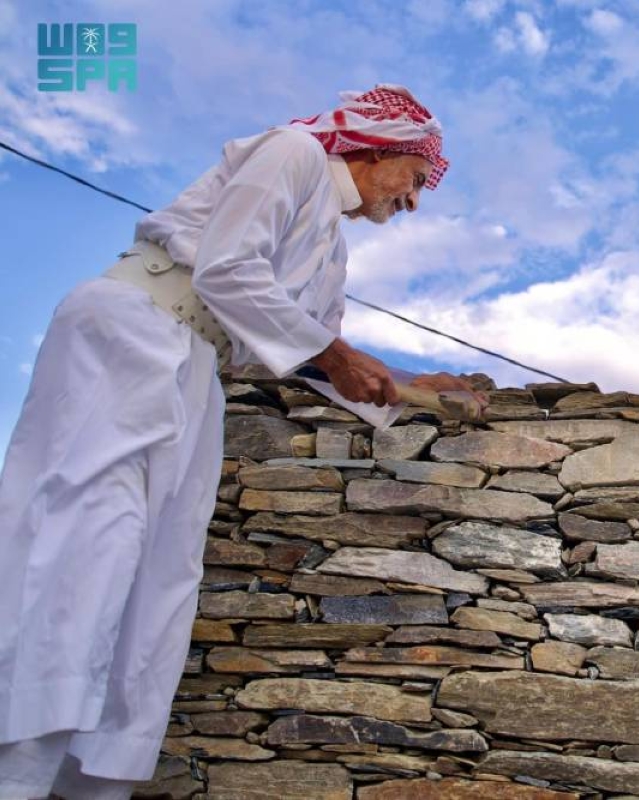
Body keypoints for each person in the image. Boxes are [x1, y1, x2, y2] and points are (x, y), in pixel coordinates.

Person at [0, 84, 483, 799]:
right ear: (375, 149)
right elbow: (227, 269)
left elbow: (310, 355)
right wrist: (338, 356)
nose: (412, 201)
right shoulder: (292, 154)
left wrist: (416, 381)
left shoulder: (331, 249)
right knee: (89, 541)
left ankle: (84, 781)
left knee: (160, 573)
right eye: (414, 179)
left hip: (196, 365)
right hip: (132, 332)